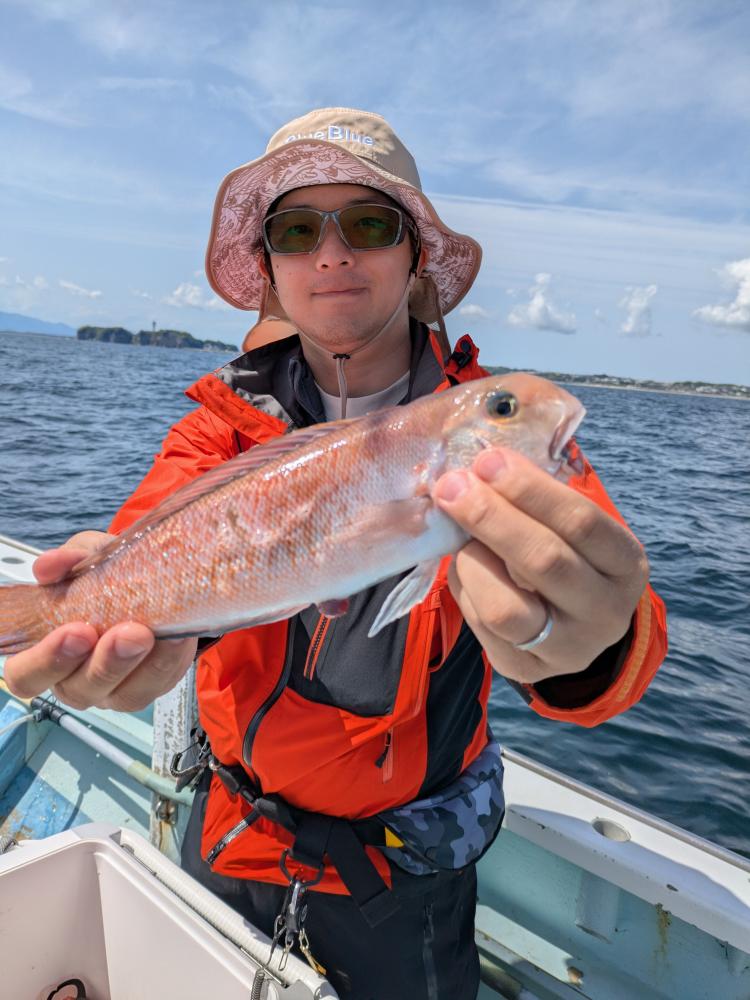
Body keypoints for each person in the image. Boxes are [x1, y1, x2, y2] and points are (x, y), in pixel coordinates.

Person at [5, 108, 667, 999]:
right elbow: (150, 534)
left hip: (406, 876)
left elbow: (621, 609)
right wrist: (97, 618)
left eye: (368, 223)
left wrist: (586, 648)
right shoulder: (219, 429)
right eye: (295, 230)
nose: (331, 254)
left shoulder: (490, 436)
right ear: (270, 266)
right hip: (230, 832)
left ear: (415, 255)